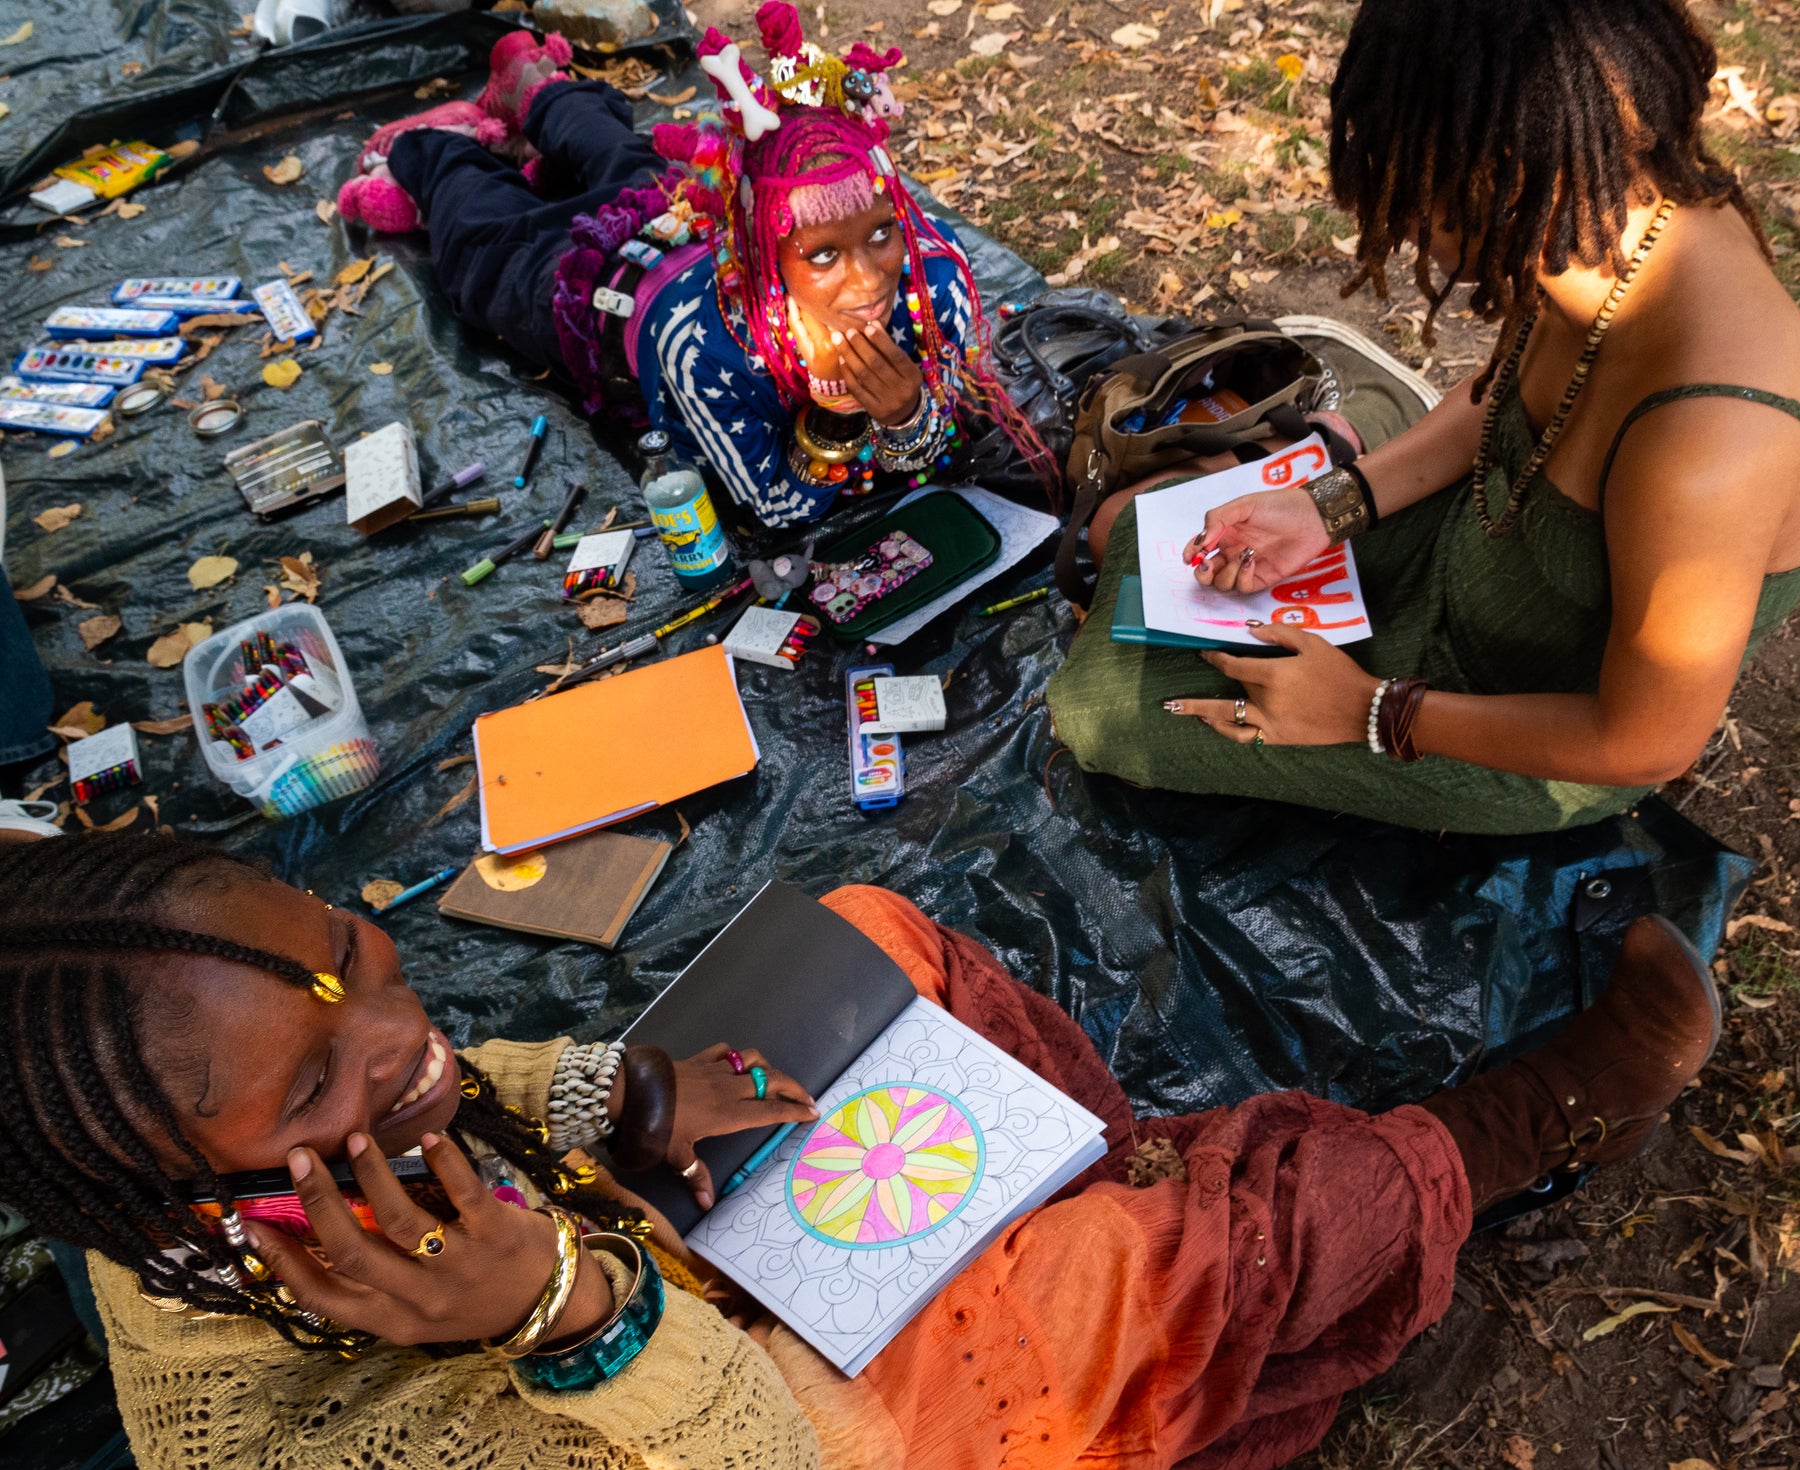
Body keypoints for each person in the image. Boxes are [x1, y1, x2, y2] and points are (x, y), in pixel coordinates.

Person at [0, 831, 1720, 1468]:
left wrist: (621, 1104)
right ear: (189, 1199)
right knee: (1200, 1251)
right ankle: (1537, 1122)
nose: (402, 1030)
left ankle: (1080, 1174)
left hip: (659, 1263)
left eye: (353, 949)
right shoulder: (300, 1445)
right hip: (748, 1418)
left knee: (868, 936)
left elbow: (488, 1073)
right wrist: (572, 1318)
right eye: (317, 1089)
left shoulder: (256, 1169)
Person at [1046, 0, 1800, 836]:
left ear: (1505, 173)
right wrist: (1325, 507)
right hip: (1462, 557)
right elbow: (1497, 398)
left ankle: (1358, 430)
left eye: (1413, 197)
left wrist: (1370, 711)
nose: (1406, 235)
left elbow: (1642, 743)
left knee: (1102, 714)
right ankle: (1352, 435)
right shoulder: (1597, 220)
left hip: (1524, 732)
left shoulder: (1710, 445)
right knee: (1136, 534)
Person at [336, 8, 1051, 527]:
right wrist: (838, 421)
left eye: (884, 234)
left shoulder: (938, 286)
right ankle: (436, 150)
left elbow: (957, 425)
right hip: (611, 292)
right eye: (826, 255)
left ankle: (543, 92)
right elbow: (774, 506)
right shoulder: (708, 344)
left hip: (684, 212)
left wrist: (906, 413)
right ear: (764, 254)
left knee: (630, 165)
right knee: (491, 255)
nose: (869, 280)